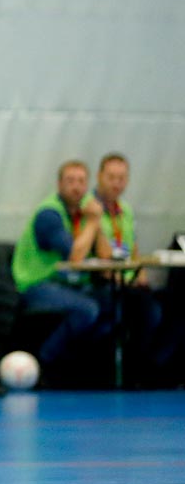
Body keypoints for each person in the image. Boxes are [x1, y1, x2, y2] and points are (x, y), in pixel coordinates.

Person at [10, 160, 111, 382]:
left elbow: (105, 257)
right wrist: (93, 223)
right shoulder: (50, 214)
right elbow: (75, 257)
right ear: (59, 184)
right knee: (87, 310)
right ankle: (45, 361)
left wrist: (97, 223)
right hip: (37, 284)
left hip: (69, 283)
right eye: (70, 181)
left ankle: (83, 368)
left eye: (81, 181)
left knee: (114, 306)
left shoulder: (82, 213)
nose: (76, 187)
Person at [91, 153, 166, 386]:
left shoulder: (125, 209)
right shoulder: (89, 209)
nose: (116, 183)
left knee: (162, 304)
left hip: (127, 280)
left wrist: (140, 275)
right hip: (98, 281)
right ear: (100, 177)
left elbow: (131, 247)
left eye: (122, 178)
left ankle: (152, 369)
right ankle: (133, 373)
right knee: (142, 309)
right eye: (111, 177)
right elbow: (100, 256)